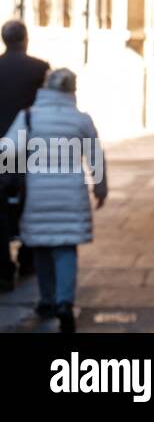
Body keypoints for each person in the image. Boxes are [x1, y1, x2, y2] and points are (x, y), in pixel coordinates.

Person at [9, 68, 108, 333]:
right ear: (72, 91)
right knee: (65, 248)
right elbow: (95, 157)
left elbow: (7, 152)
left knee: (41, 247)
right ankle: (65, 302)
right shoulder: (81, 119)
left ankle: (47, 300)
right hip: (70, 193)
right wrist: (100, 188)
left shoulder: (28, 117)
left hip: (38, 191)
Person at [0, 20, 49, 292]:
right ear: (25, 39)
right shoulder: (40, 68)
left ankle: (4, 270)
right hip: (30, 146)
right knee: (32, 200)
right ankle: (28, 258)